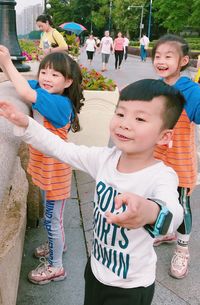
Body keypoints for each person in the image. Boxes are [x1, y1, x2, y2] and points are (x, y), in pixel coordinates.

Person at [0, 79, 184, 304]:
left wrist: (150, 211)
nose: (125, 124)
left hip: (130, 286)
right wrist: (26, 124)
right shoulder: (104, 159)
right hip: (96, 268)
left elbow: (174, 212)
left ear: (164, 136)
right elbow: (61, 148)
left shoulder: (161, 175)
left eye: (140, 119)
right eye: (120, 114)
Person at [0, 45, 84, 284]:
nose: (46, 78)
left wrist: (6, 62)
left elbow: (26, 95)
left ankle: (56, 266)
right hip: (49, 170)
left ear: (67, 82)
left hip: (55, 172)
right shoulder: (51, 94)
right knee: (52, 218)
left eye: (55, 75)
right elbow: (25, 87)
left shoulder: (59, 105)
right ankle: (58, 245)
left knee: (52, 219)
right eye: (44, 72)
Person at [151, 34, 200, 279]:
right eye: (157, 56)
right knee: (159, 198)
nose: (161, 61)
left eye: (168, 56)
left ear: (183, 61)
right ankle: (167, 233)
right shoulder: (157, 87)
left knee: (183, 204)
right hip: (157, 157)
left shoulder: (190, 90)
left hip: (180, 160)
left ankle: (182, 249)